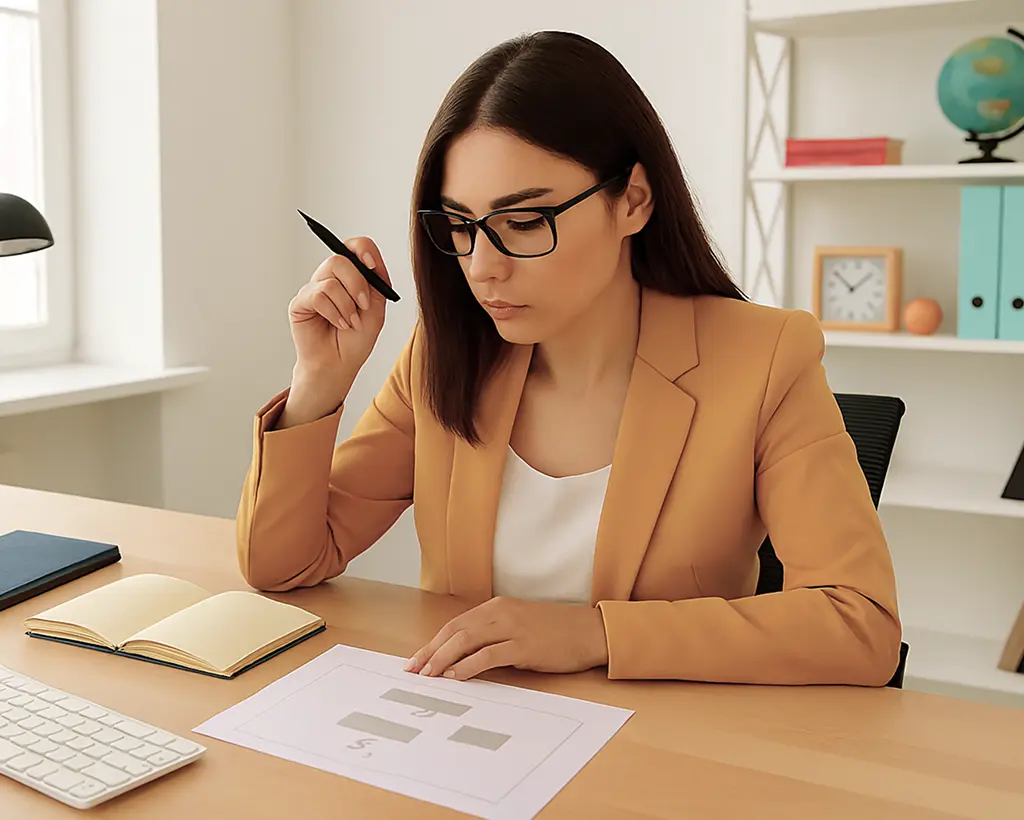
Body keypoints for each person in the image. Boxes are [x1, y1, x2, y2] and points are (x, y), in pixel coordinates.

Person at [236, 30, 901, 686]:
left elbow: (859, 625)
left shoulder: (764, 358)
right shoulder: (444, 355)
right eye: (460, 227)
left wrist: (595, 634)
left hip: (670, 755)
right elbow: (282, 566)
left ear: (633, 200)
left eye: (523, 223)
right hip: (471, 736)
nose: (483, 268)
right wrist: (319, 383)